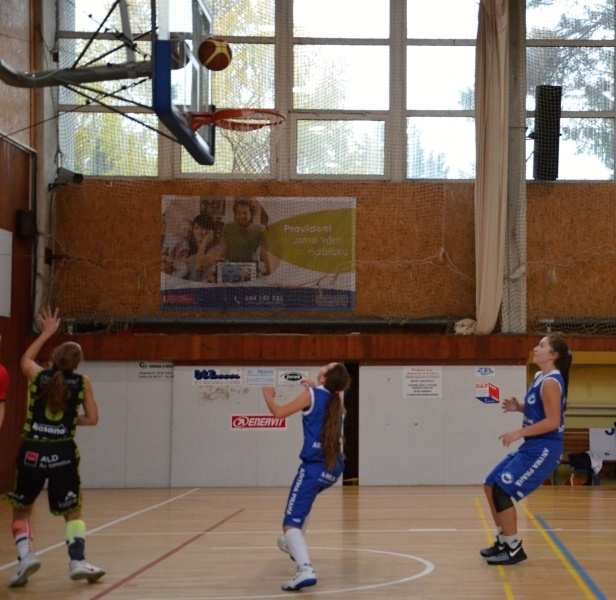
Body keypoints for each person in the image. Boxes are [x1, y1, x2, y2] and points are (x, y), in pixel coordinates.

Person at [3, 306, 105, 588]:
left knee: (22, 508)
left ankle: (26, 557)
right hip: (63, 453)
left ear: (54, 358)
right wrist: (69, 421)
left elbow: (25, 360)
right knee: (72, 511)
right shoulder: (82, 383)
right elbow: (93, 419)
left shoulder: (39, 377)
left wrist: (47, 332)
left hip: (32, 450)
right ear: (77, 364)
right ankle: (77, 561)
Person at [481, 333, 572, 566]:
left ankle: (514, 549)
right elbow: (541, 410)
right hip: (533, 445)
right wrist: (519, 407)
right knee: (490, 484)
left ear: (553, 355)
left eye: (541, 346)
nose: (535, 348)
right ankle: (503, 541)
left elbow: (553, 422)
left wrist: (518, 432)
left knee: (502, 489)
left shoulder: (551, 382)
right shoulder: (540, 377)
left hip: (545, 447)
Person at [262, 362, 351, 591]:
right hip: (334, 467)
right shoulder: (335, 400)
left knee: (290, 524)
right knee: (304, 503)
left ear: (323, 378)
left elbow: (279, 413)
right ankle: (293, 545)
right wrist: (315, 388)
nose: (323, 367)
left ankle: (305, 569)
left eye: (326, 367)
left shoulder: (312, 395)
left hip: (314, 467)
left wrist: (269, 397)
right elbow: (341, 412)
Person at [219, 199, 271, 276]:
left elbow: (265, 254)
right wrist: (218, 272)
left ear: (251, 214)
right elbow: (223, 252)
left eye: (245, 213)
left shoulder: (260, 229)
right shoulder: (227, 228)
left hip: (253, 270)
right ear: (235, 214)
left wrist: (269, 273)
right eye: (238, 213)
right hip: (233, 270)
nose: (242, 216)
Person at [186, 213, 219, 283]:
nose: (199, 232)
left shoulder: (215, 248)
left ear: (210, 231)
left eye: (203, 228)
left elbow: (198, 266)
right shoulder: (188, 244)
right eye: (196, 228)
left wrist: (204, 241)